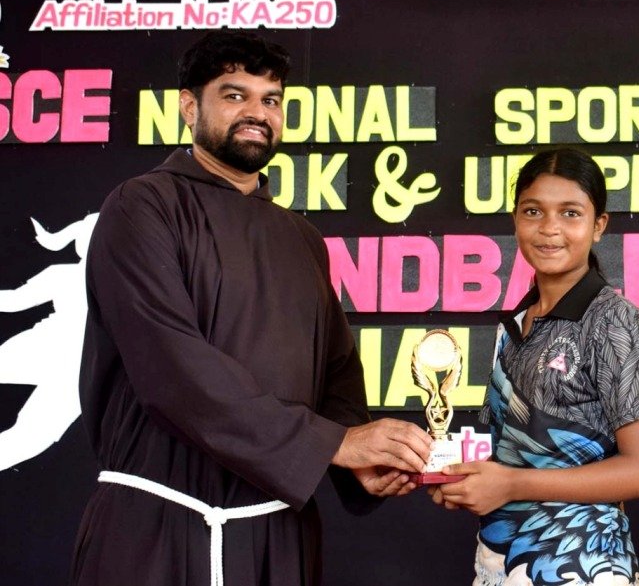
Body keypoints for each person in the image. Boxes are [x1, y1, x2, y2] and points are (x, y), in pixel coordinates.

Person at [70, 32, 434, 586]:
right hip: (157, 527)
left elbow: (335, 374)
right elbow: (171, 368)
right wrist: (333, 445)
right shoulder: (142, 205)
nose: (258, 114)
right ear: (189, 106)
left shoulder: (301, 237)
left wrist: (359, 460)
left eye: (271, 100)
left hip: (278, 537)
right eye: (234, 95)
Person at [432, 148, 639, 586]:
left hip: (584, 565)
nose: (549, 228)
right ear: (515, 219)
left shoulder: (614, 319)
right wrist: (468, 480)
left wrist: (510, 485)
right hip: (502, 560)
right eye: (533, 211)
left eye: (571, 213)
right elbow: (519, 454)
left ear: (599, 225)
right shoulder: (517, 322)